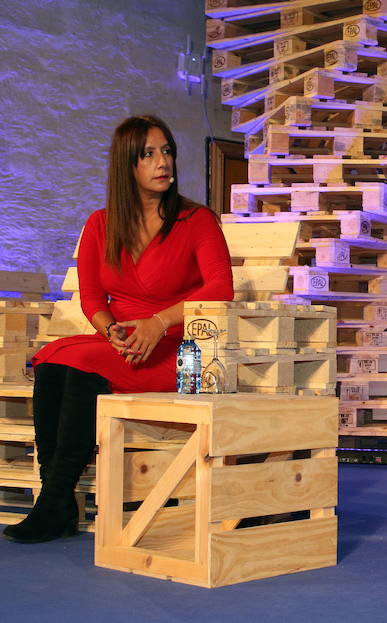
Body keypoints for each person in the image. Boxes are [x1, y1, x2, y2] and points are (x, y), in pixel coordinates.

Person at [2, 116, 234, 544]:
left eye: (167, 151)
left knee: (78, 360)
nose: (162, 162)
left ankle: (54, 504)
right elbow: (92, 298)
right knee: (53, 359)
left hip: (180, 351)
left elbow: (221, 287)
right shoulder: (101, 224)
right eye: (148, 154)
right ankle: (55, 499)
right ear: (127, 165)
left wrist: (158, 322)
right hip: (122, 344)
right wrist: (112, 331)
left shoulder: (195, 220)